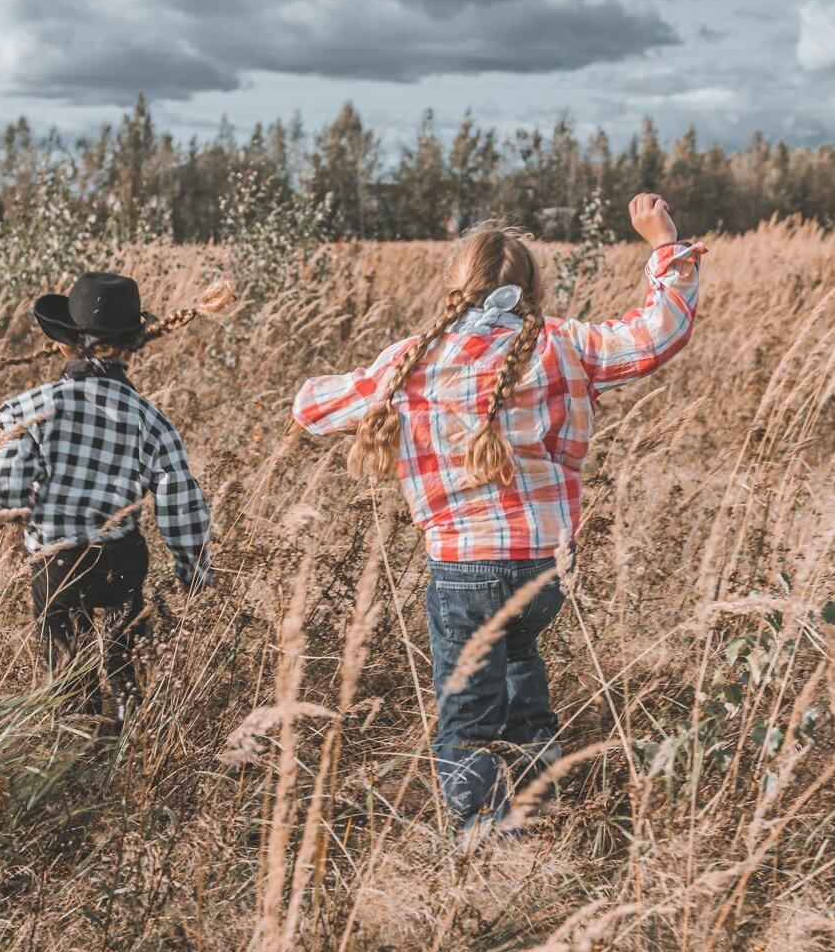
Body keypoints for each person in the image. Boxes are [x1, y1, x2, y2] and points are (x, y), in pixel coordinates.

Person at [291, 195, 704, 831]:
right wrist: (664, 245)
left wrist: (357, 389)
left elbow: (312, 410)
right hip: (545, 569)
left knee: (468, 714)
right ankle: (536, 808)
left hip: (462, 569)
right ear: (532, 290)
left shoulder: (413, 360)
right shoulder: (564, 344)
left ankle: (483, 839)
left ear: (454, 291)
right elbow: (655, 338)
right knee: (519, 669)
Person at [0, 272, 212, 720]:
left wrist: (25, 506)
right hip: (121, 557)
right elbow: (179, 499)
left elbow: (3, 492)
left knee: (69, 673)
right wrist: (192, 567)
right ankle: (127, 735)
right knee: (125, 662)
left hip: (56, 563)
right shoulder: (150, 419)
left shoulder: (30, 408)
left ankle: (81, 741)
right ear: (132, 348)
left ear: (64, 346)